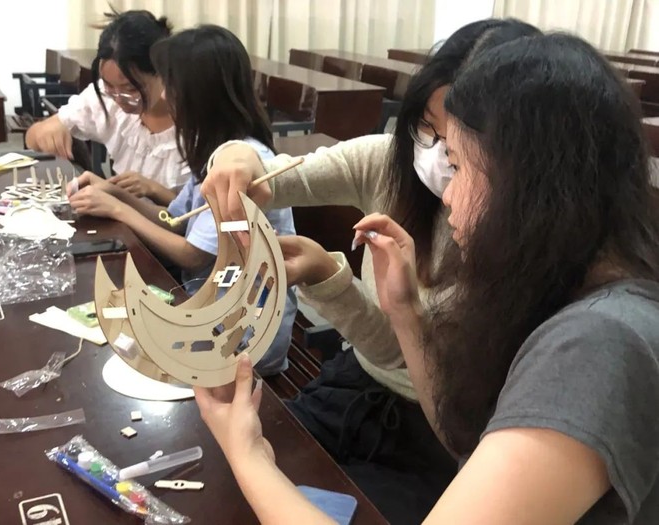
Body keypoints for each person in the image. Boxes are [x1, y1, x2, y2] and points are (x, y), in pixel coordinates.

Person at [198, 32, 659, 524]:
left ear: (527, 180)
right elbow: (461, 437)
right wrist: (403, 310)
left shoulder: (598, 345)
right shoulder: (563, 288)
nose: (448, 195)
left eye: (458, 166)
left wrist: (248, 453)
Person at [69, 25, 297, 376]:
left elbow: (192, 254)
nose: (163, 95)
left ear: (198, 94)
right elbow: (174, 221)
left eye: (170, 86)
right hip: (208, 307)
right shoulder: (214, 146)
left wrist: (119, 210)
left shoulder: (240, 162)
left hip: (244, 337)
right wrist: (115, 193)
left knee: (113, 350)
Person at [26, 10, 185, 205]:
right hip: (121, 218)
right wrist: (48, 129)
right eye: (109, 86)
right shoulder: (106, 99)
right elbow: (32, 136)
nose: (119, 98)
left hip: (174, 224)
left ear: (163, 72)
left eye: (131, 88)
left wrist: (155, 190)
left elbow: (205, 212)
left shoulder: (196, 116)